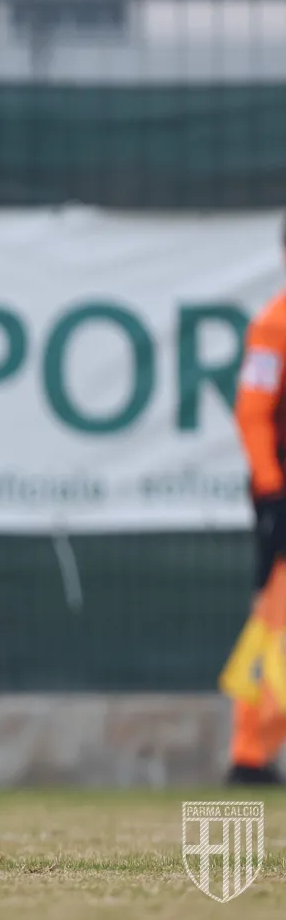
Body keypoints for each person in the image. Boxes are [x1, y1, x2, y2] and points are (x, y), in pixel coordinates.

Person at [223, 212, 286, 785]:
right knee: (276, 621)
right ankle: (250, 751)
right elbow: (252, 412)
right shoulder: (274, 324)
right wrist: (271, 489)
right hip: (284, 492)